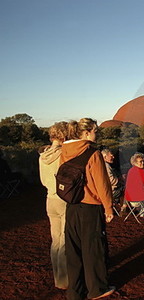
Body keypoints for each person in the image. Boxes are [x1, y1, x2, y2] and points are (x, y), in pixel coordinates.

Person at [61, 118, 115, 300]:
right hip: (91, 207)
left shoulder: (65, 151)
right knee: (93, 249)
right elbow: (102, 184)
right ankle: (97, 289)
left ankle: (75, 291)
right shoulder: (93, 153)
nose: (96, 134)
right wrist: (108, 207)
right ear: (86, 133)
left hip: (72, 205)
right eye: (95, 131)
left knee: (73, 249)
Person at [38, 121, 69, 290]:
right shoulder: (63, 154)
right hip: (64, 199)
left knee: (56, 240)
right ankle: (65, 281)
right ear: (65, 135)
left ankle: (58, 277)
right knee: (65, 240)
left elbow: (43, 181)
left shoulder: (43, 155)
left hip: (49, 199)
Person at [101, 148, 125, 215]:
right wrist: (119, 180)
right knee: (125, 189)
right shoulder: (106, 166)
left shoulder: (102, 164)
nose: (113, 157)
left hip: (106, 190)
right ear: (105, 156)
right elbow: (111, 180)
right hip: (110, 191)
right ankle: (123, 209)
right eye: (111, 156)